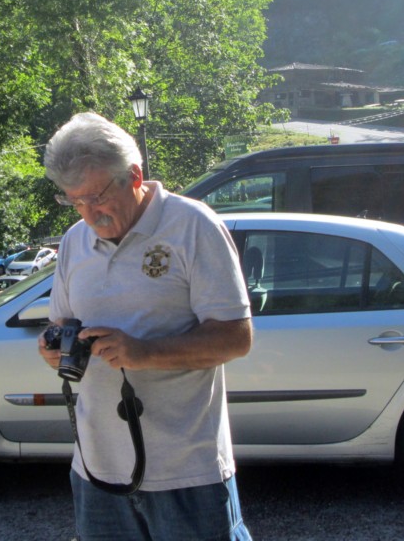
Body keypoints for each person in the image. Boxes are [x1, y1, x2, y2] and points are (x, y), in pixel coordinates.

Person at [37, 112, 253, 541]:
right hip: (96, 471)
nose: (87, 213)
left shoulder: (193, 226)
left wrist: (144, 353)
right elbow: (61, 323)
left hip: (187, 471)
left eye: (95, 196)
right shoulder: (73, 242)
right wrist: (53, 346)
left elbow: (236, 337)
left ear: (134, 176)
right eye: (73, 200)